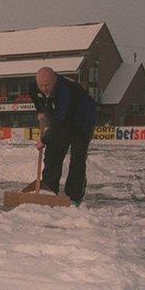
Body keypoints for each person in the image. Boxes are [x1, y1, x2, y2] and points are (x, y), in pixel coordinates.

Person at [28, 67, 97, 205]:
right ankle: (49, 190)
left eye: (47, 85)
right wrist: (40, 110)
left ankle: (74, 196)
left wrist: (45, 139)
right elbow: (34, 94)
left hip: (82, 121)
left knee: (77, 159)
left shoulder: (65, 91)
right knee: (53, 154)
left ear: (55, 79)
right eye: (41, 85)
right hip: (63, 119)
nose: (44, 88)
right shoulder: (34, 85)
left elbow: (59, 121)